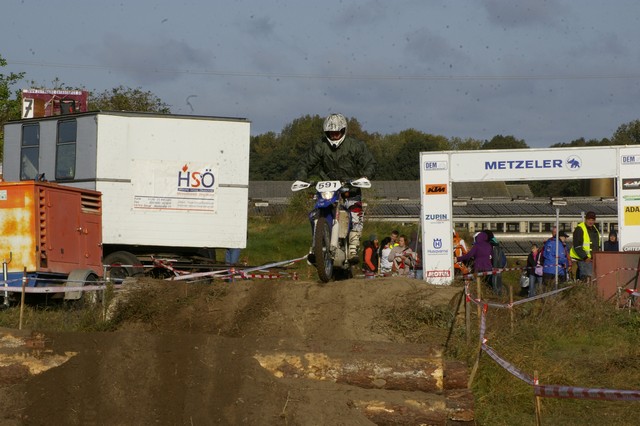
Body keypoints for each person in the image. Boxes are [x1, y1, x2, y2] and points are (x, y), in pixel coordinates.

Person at [295, 113, 376, 264]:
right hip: (327, 187)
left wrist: (365, 176)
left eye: (337, 132)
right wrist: (301, 177)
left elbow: (369, 162)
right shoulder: (320, 146)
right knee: (315, 212)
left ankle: (353, 247)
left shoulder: (355, 145)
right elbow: (305, 163)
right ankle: (315, 246)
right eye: (331, 133)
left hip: (350, 188)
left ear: (343, 131)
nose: (334, 135)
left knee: (355, 211)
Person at [570, 211, 601, 281]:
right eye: (589, 220)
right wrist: (585, 257)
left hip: (592, 260)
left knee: (592, 279)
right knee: (586, 279)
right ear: (585, 219)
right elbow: (577, 246)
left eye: (592, 220)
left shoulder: (595, 229)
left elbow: (596, 245)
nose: (591, 222)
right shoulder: (580, 229)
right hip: (582, 259)